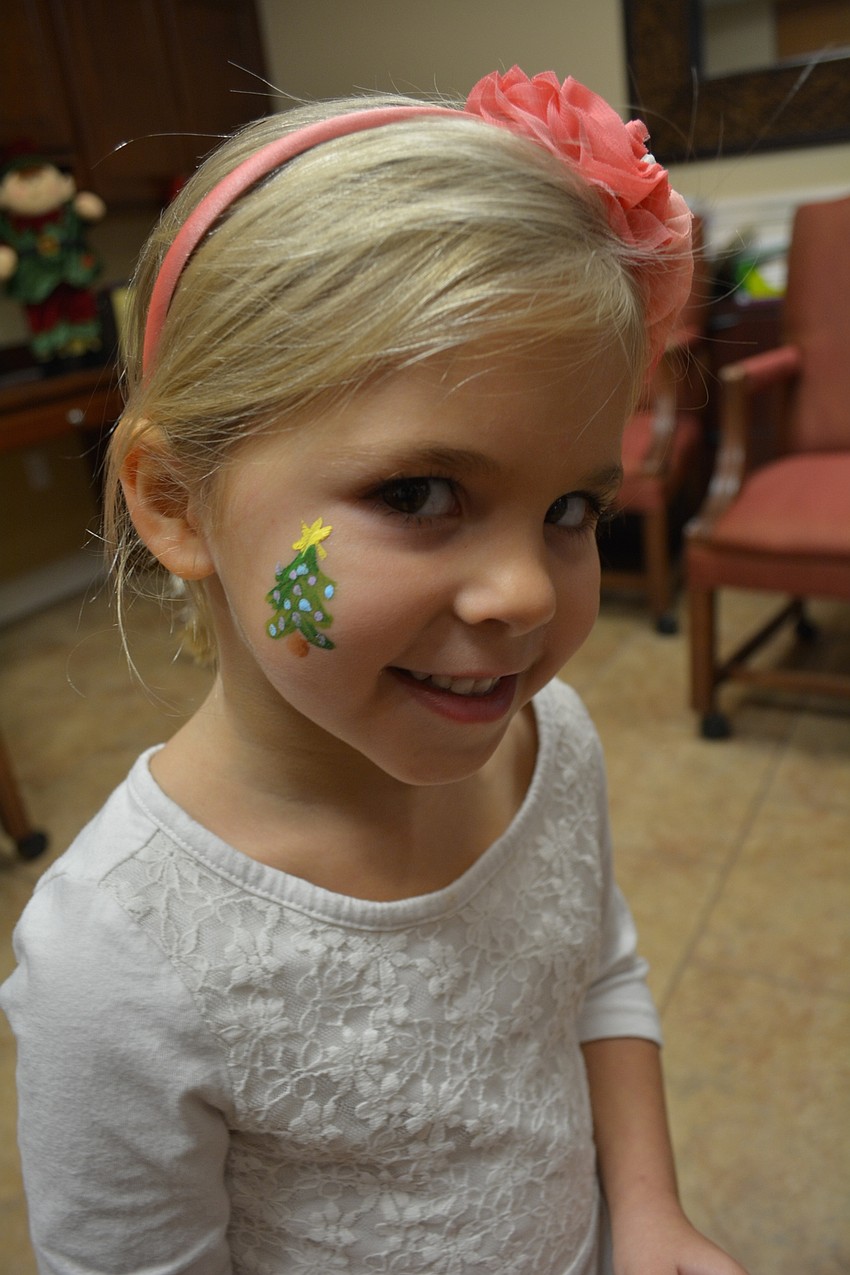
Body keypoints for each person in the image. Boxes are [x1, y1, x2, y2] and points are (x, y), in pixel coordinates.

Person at [1, 68, 748, 1275]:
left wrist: (649, 1213)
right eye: (417, 493)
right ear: (176, 501)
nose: (525, 594)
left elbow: (596, 972)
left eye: (570, 509)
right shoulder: (118, 958)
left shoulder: (549, 742)